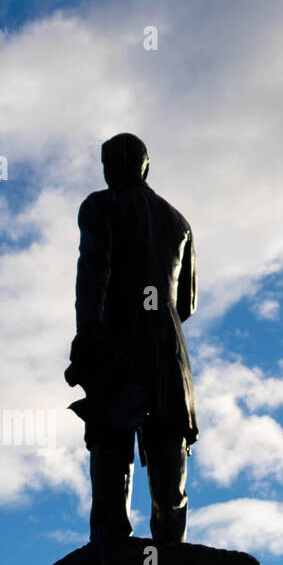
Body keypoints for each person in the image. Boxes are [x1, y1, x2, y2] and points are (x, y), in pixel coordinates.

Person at [65, 133, 197, 542]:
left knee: (110, 439)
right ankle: (171, 549)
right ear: (146, 167)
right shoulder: (179, 222)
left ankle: (111, 547)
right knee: (167, 447)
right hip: (169, 349)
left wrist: (88, 331)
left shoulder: (101, 206)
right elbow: (186, 303)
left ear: (109, 169)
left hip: (118, 338)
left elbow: (94, 270)